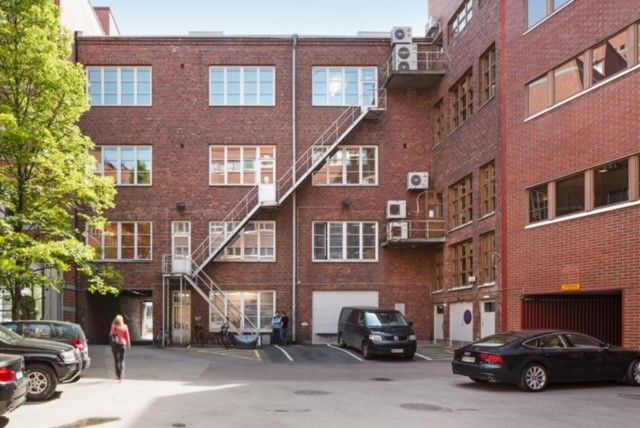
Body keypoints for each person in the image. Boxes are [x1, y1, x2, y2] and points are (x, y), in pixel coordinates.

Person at [109, 314, 131, 382]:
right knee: (122, 360)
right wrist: (128, 344)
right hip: (122, 345)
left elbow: (111, 334)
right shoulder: (125, 326)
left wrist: (115, 331)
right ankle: (121, 377)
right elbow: (127, 336)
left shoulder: (113, 326)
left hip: (115, 345)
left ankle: (117, 376)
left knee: (116, 360)